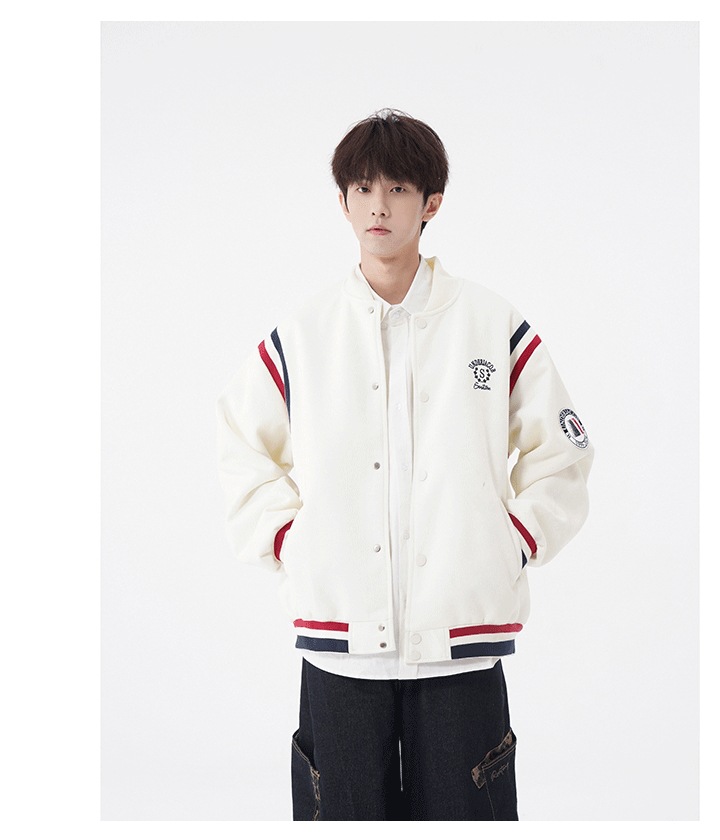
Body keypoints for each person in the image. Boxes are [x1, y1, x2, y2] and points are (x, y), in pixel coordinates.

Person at [215, 108, 594, 821]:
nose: (378, 207)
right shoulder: (306, 332)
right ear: (342, 203)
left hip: (461, 643)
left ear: (431, 203)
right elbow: (241, 441)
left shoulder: (489, 324)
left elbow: (563, 450)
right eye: (362, 189)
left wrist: (511, 542)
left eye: (396, 189)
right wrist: (290, 541)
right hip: (340, 644)